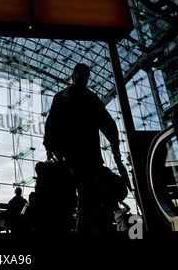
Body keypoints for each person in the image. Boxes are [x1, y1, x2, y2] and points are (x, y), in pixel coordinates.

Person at [43, 63, 123, 232]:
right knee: (88, 191)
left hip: (76, 153)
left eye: (84, 75)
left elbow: (52, 123)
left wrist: (50, 145)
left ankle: (86, 226)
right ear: (74, 75)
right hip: (83, 153)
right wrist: (115, 148)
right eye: (80, 74)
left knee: (85, 191)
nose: (81, 78)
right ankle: (93, 226)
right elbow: (107, 124)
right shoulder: (89, 99)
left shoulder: (65, 97)